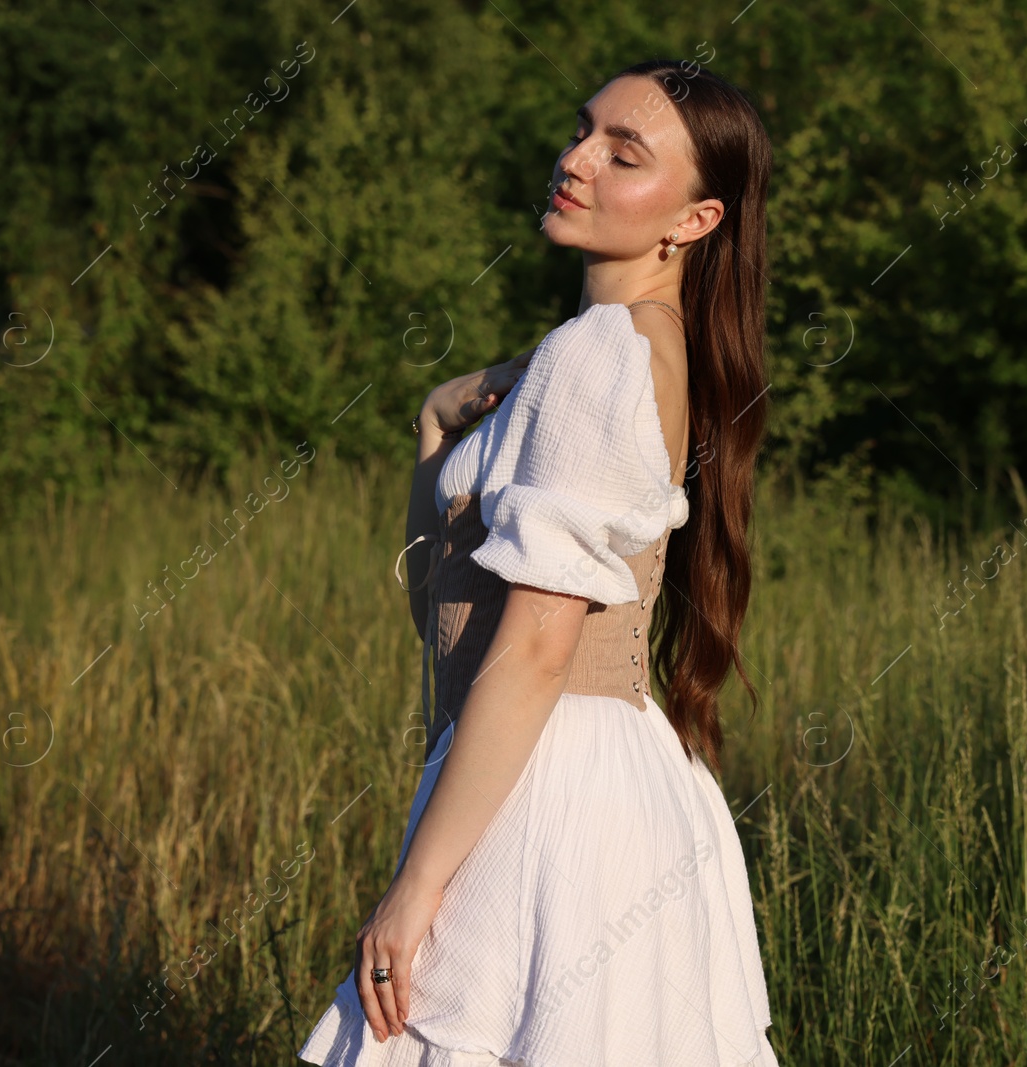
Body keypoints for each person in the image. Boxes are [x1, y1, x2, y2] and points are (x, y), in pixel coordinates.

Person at [298, 57, 777, 1066]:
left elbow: (534, 649)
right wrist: (437, 422)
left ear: (692, 221)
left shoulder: (601, 352)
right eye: (582, 130)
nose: (576, 159)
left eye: (623, 152)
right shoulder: (618, 344)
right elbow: (454, 613)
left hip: (551, 789)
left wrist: (417, 886)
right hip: (581, 769)